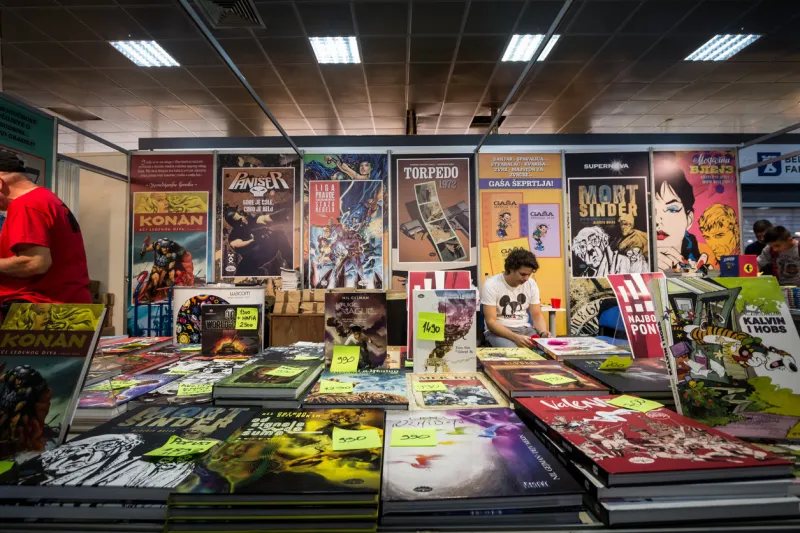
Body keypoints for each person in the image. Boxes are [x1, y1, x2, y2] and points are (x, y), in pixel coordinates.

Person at [0, 150, 91, 317]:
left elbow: (35, 262)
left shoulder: (25, 206)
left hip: (39, 313)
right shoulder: (46, 198)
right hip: (69, 309)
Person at [481, 249, 551, 348]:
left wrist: (543, 333)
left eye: (529, 274)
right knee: (515, 353)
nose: (526, 278)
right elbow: (491, 322)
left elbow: (537, 315)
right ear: (510, 269)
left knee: (548, 349)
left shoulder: (531, 284)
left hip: (526, 329)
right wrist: (515, 337)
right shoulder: (491, 285)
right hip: (500, 332)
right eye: (523, 274)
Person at [654, 166, 713, 271]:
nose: (657, 221)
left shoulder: (695, 258)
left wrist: (700, 275)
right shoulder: (634, 256)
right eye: (651, 211)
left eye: (672, 209)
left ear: (689, 219)